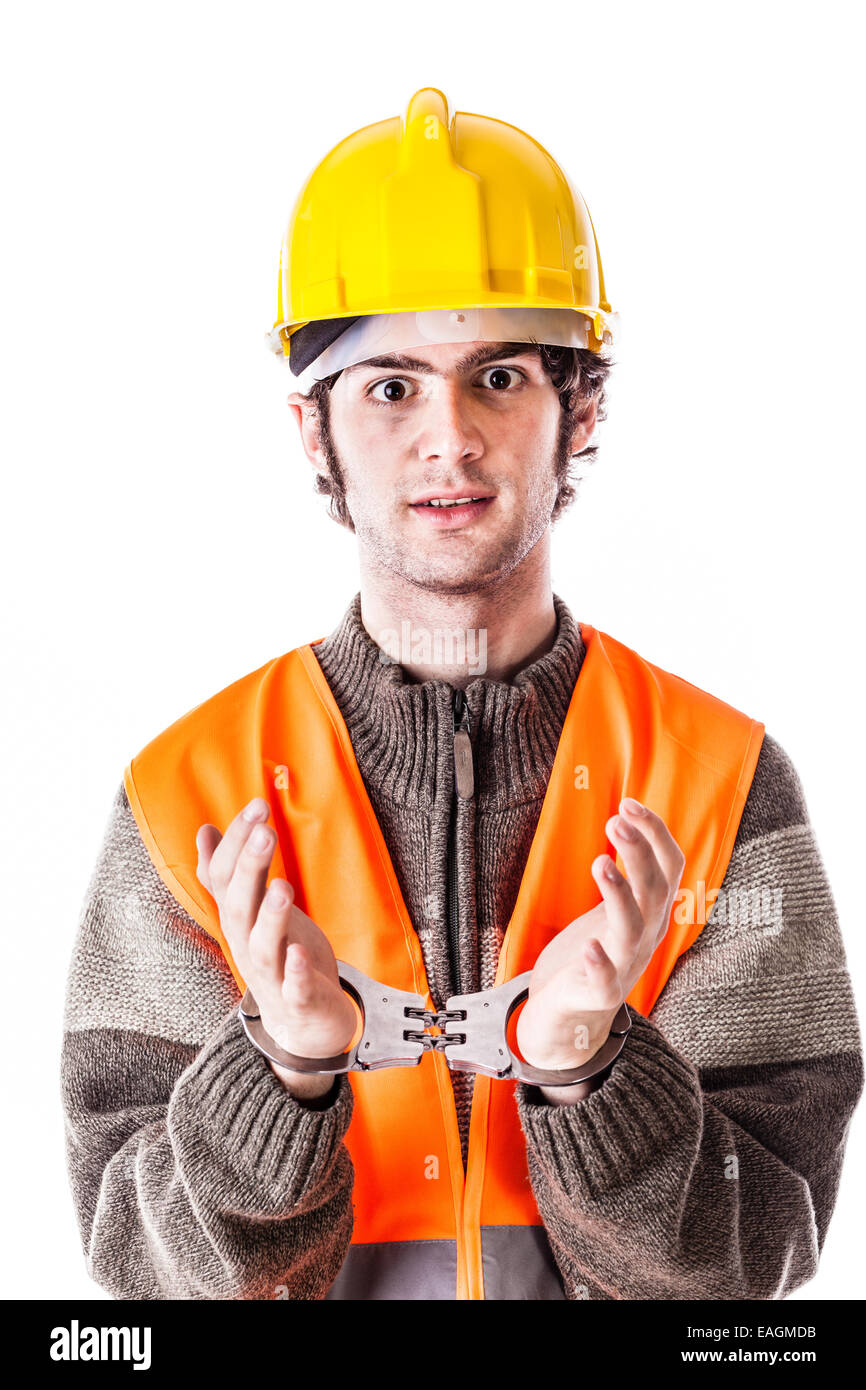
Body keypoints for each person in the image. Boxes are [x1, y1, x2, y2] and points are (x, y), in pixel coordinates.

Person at [61, 87, 863, 1302]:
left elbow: (741, 1292)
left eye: (497, 375)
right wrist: (276, 1070)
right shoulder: (188, 800)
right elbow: (143, 1289)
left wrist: (586, 1074)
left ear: (576, 408)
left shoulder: (722, 784)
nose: (449, 437)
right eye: (389, 385)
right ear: (311, 428)